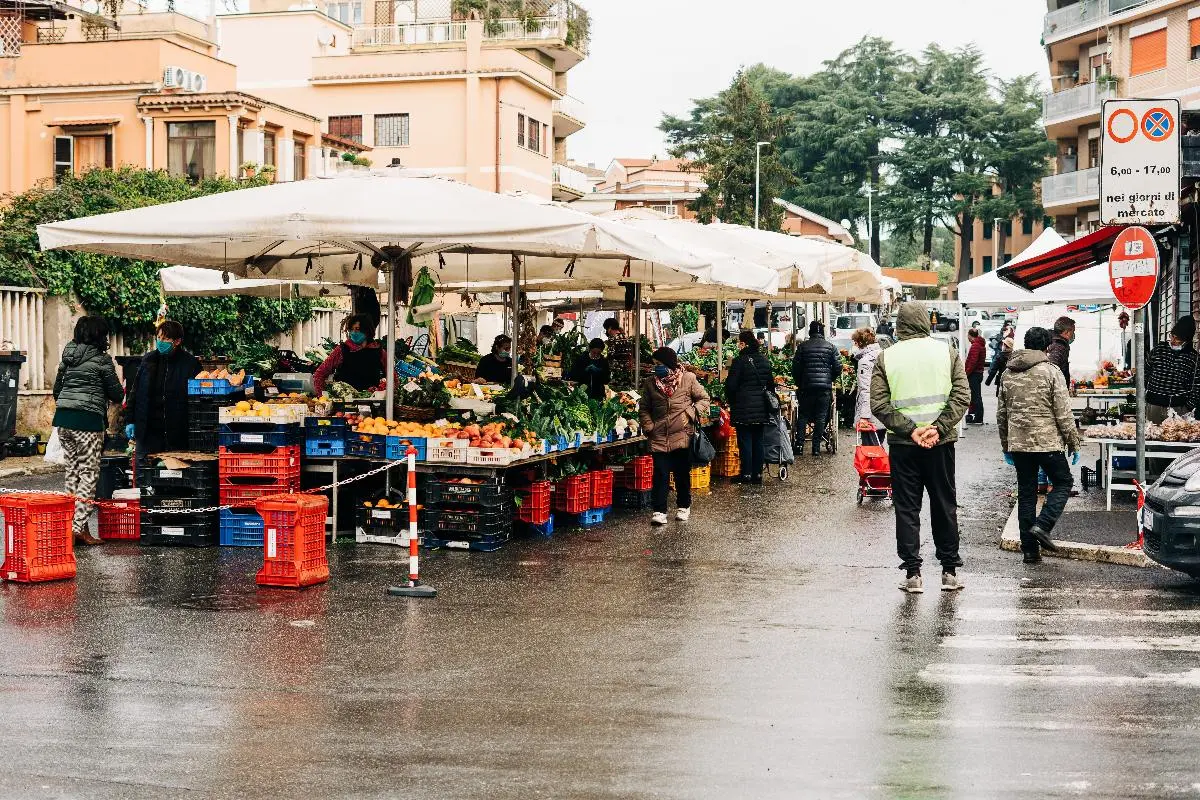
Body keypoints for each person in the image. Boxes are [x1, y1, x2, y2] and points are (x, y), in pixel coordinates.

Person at [870, 301, 971, 594]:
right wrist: (937, 429)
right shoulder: (946, 351)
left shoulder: (886, 357)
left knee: (906, 507)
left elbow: (879, 403)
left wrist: (911, 430)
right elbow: (962, 396)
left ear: (899, 325)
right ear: (927, 322)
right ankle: (949, 571)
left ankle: (913, 573)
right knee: (944, 503)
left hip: (903, 445)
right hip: (941, 444)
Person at [998, 326, 1081, 564]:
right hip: (1047, 444)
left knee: (1026, 494)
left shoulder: (1008, 373)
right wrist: (1073, 443)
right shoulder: (1051, 371)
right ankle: (1043, 525)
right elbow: (1063, 413)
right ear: (1047, 347)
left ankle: (1030, 552)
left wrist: (1006, 446)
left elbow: (1001, 414)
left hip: (1019, 445)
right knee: (1064, 482)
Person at [54, 316, 124, 546]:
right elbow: (116, 394)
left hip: (63, 420)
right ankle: (75, 528)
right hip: (88, 422)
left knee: (72, 473)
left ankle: (73, 527)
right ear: (99, 336)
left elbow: (57, 390)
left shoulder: (68, 356)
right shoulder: (102, 360)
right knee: (89, 474)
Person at [640, 347, 709, 526]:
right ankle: (659, 511)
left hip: (682, 436)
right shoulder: (650, 383)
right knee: (661, 474)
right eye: (655, 365)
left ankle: (684, 506)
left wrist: (690, 413)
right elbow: (644, 408)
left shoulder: (688, 379)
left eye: (659, 364)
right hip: (659, 435)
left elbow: (704, 399)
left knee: (681, 474)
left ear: (669, 364)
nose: (656, 368)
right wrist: (649, 426)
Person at [125, 319, 201, 456]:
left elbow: (197, 397)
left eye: (165, 339)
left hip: (178, 431)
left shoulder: (190, 364)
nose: (160, 341)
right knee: (147, 471)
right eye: (159, 337)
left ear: (177, 341)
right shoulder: (149, 360)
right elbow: (135, 391)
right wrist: (130, 420)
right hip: (149, 430)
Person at [725, 330, 775, 485]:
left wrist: (732, 401)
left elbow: (731, 386)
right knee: (758, 440)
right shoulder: (764, 360)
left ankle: (746, 474)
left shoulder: (739, 361)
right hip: (761, 407)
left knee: (745, 440)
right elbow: (770, 386)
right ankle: (758, 474)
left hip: (743, 407)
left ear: (744, 343)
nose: (738, 346)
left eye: (739, 343)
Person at [792, 320, 840, 457]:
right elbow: (838, 367)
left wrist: (799, 382)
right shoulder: (831, 347)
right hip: (824, 388)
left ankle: (799, 445)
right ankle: (816, 447)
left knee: (803, 415)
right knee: (821, 416)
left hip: (806, 387)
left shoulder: (803, 347)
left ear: (810, 332)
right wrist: (830, 379)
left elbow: (795, 368)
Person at [313, 314, 389, 396]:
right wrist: (322, 397)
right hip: (344, 403)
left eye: (357, 329)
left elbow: (393, 377)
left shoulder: (379, 351)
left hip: (372, 402)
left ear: (367, 330)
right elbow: (319, 374)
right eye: (351, 330)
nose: (353, 333)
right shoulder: (342, 350)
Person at [1145, 315, 1200, 424]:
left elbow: (1197, 386)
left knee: (1174, 438)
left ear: (1186, 340)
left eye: (1178, 338)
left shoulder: (1194, 358)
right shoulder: (1159, 349)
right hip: (1153, 406)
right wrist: (1148, 394)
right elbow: (1145, 371)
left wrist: (1188, 407)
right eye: (1172, 336)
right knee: (1152, 437)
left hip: (1178, 410)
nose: (1173, 340)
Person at [852, 328, 884, 444]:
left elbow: (866, 389)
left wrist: (864, 416)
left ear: (860, 343)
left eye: (855, 342)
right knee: (878, 447)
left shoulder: (865, 361)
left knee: (870, 452)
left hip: (870, 414)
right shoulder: (882, 355)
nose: (854, 345)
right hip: (883, 410)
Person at [964, 328, 987, 424]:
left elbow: (972, 362)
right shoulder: (980, 344)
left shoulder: (975, 346)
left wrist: (966, 373)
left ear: (970, 336)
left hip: (974, 374)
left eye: (968, 335)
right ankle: (975, 415)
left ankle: (978, 418)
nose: (967, 337)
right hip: (978, 373)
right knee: (976, 396)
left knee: (975, 397)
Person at [1046, 316, 1075, 385]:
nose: (1073, 334)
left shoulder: (1054, 342)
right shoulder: (1059, 346)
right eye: (1073, 331)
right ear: (1067, 332)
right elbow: (1052, 369)